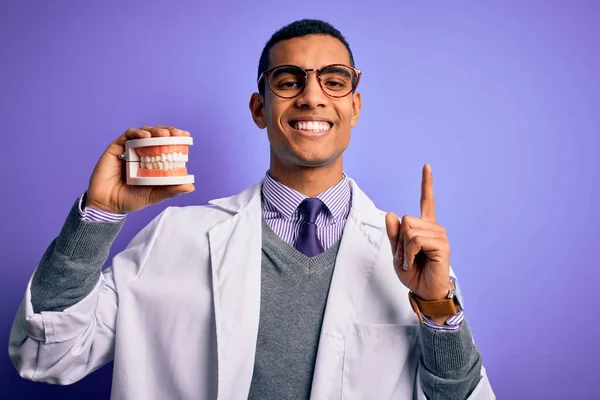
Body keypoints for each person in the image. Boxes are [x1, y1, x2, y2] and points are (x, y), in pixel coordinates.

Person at [9, 19, 495, 399]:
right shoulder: (174, 238)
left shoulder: (411, 260)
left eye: (334, 81)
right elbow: (48, 354)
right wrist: (96, 217)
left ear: (355, 107)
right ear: (260, 108)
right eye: (288, 81)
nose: (311, 96)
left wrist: (437, 311)